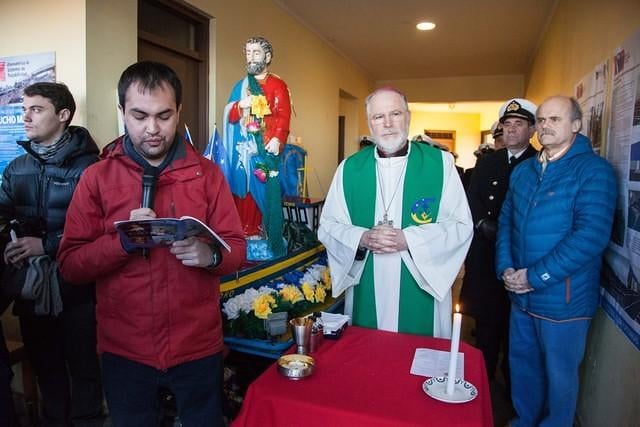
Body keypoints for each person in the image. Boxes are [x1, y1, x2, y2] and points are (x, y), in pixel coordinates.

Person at [57, 61, 246, 427]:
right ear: (122, 112)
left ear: (179, 113)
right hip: (125, 349)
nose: (152, 129)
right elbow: (70, 264)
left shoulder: (207, 176)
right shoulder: (96, 177)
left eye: (164, 116)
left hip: (198, 345)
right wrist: (122, 241)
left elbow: (237, 249)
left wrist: (210, 255)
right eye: (139, 116)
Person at [496, 96, 616, 426]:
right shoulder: (525, 171)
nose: (546, 125)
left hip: (563, 302)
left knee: (559, 379)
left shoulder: (594, 172)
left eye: (555, 119)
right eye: (543, 119)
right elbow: (506, 221)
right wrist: (505, 267)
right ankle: (524, 420)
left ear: (576, 125)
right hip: (520, 295)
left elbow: (589, 237)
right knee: (524, 368)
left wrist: (534, 276)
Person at [318, 87, 473, 337]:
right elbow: (328, 226)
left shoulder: (440, 165)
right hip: (366, 279)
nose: (388, 124)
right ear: (370, 123)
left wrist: (409, 239)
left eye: (395, 114)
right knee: (368, 363)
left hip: (421, 284)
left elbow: (460, 226)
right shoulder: (349, 169)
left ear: (408, 117)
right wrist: (362, 237)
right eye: (379, 117)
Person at [0, 82, 103, 426]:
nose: (25, 116)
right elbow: (3, 213)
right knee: (47, 369)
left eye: (36, 109)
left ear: (63, 115)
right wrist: (9, 242)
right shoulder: (17, 167)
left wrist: (45, 245)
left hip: (80, 290)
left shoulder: (93, 168)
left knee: (85, 370)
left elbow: (102, 227)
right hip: (33, 289)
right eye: (24, 108)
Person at [459, 98, 538, 388]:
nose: (512, 130)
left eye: (519, 124)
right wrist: (481, 222)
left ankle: (512, 384)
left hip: (519, 257)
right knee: (486, 321)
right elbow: (472, 197)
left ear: (532, 129)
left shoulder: (538, 163)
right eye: (507, 124)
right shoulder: (488, 161)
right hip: (484, 252)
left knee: (514, 326)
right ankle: (483, 379)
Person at [222, 36, 292, 257]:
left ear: (267, 57)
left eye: (256, 53)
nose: (251, 57)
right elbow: (229, 114)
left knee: (262, 186)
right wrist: (238, 106)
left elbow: (283, 115)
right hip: (242, 148)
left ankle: (262, 230)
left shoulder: (277, 85)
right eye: (249, 53)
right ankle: (243, 228)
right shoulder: (240, 86)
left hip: (264, 147)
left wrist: (277, 139)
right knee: (241, 185)